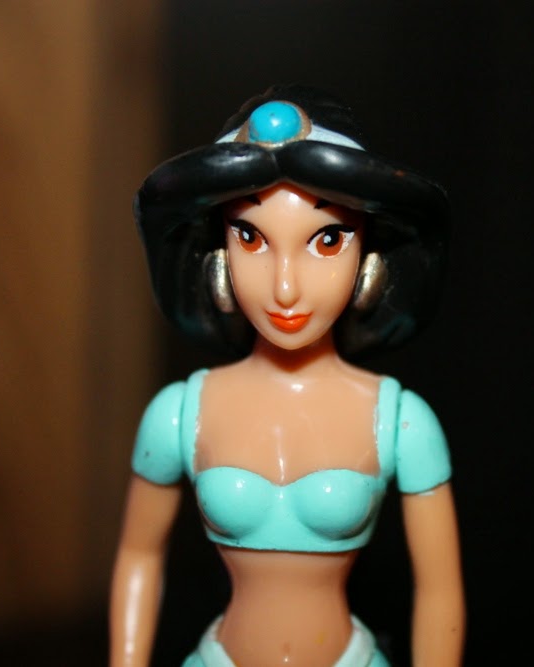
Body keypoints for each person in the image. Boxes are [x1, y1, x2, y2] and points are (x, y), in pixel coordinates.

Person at [110, 84, 464, 667]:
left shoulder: (402, 423)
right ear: (219, 248)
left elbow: (439, 593)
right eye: (251, 237)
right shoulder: (178, 415)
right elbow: (138, 558)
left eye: (327, 239)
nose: (284, 286)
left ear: (367, 252)